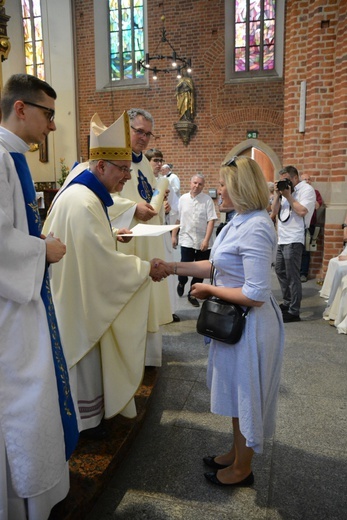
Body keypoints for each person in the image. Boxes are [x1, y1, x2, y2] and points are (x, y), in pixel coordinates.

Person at [158, 156, 285, 486]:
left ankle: (244, 468)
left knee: (247, 393)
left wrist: (208, 291)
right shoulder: (239, 220)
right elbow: (216, 265)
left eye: (224, 184)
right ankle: (235, 452)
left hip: (251, 326)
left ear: (241, 186)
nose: (218, 190)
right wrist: (173, 267)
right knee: (235, 392)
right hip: (235, 324)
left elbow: (255, 293)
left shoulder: (257, 226)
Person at [43, 112, 168, 435]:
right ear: (100, 166)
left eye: (129, 169)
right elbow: (100, 264)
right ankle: (84, 426)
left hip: (73, 294)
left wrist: (111, 234)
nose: (127, 177)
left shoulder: (81, 195)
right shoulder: (84, 202)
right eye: (122, 169)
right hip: (78, 306)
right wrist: (145, 269)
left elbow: (85, 246)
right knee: (83, 368)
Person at [0, 73, 79, 519]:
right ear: (22, 109)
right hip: (9, 312)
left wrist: (35, 242)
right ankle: (22, 500)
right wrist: (42, 250)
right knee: (21, 400)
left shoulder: (13, 158)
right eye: (48, 115)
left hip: (23, 302)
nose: (52, 126)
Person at [108, 108, 173, 367]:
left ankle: (147, 356)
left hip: (148, 237)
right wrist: (133, 209)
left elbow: (147, 193)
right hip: (126, 238)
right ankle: (127, 358)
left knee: (148, 294)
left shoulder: (144, 163)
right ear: (127, 130)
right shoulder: (112, 158)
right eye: (139, 131)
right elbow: (99, 198)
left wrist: (157, 202)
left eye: (148, 134)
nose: (144, 138)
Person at [271, 166, 316, 322]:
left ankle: (294, 311)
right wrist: (278, 195)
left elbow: (302, 211)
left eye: (287, 179)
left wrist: (289, 196)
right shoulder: (284, 191)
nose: (285, 183)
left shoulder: (306, 190)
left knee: (292, 275)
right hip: (282, 238)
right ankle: (288, 301)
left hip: (294, 238)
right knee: (279, 270)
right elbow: (274, 212)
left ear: (295, 177)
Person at [145, 148, 180, 323]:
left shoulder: (165, 183)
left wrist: (167, 211)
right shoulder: (142, 182)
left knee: (165, 268)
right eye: (155, 160)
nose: (159, 164)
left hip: (162, 231)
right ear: (147, 162)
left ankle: (169, 310)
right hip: (146, 233)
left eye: (161, 160)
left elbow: (175, 210)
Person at [172, 173, 217, 307]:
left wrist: (206, 240)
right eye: (195, 183)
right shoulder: (182, 199)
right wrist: (174, 235)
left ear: (203, 186)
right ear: (190, 183)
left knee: (200, 269)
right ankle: (181, 281)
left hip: (203, 241)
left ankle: (193, 293)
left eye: (200, 184)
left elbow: (211, 220)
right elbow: (178, 219)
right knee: (185, 265)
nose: (197, 186)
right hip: (187, 239)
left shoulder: (207, 200)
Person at [299, 173, 324, 282]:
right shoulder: (297, 192)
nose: (307, 181)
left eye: (309, 179)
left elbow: (317, 206)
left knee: (306, 250)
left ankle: (303, 273)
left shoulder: (315, 193)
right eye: (305, 179)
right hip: (297, 225)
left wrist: (309, 195)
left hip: (310, 225)